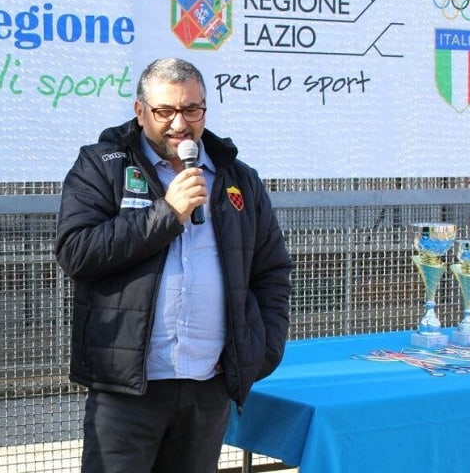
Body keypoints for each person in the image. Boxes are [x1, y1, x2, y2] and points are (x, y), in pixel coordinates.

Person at [54, 57, 293, 473]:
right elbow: (76, 252)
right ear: (140, 111)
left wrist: (261, 351)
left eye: (191, 110)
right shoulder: (102, 166)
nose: (179, 124)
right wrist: (168, 213)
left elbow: (271, 271)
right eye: (165, 111)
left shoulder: (239, 178)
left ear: (204, 110)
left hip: (207, 386)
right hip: (128, 389)